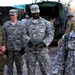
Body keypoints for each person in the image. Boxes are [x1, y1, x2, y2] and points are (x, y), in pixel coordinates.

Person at [25, 4, 54, 75]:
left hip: (42, 51)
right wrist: (29, 40)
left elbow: (51, 35)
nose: (35, 14)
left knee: (46, 72)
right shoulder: (26, 23)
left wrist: (44, 43)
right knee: (30, 72)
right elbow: (23, 34)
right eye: (34, 13)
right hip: (30, 51)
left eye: (36, 13)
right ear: (31, 13)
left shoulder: (46, 23)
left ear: (39, 12)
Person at [3, 9, 28, 75]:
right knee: (9, 68)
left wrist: (24, 48)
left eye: (13, 15)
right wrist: (4, 47)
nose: (12, 16)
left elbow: (24, 36)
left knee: (20, 68)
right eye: (10, 15)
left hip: (19, 50)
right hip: (9, 50)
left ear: (16, 15)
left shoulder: (21, 25)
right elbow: (4, 37)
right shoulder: (6, 25)